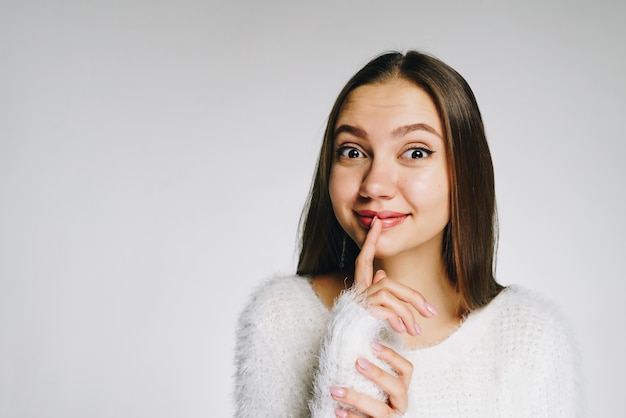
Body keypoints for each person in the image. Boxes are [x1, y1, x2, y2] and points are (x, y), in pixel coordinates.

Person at [233, 50, 582, 417]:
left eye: (415, 152)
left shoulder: (531, 337)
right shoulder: (281, 317)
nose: (375, 184)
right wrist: (350, 336)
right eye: (352, 151)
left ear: (464, 172)